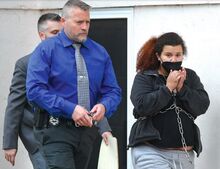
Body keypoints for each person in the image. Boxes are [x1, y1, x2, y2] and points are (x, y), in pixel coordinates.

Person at [26, 0, 121, 169]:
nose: (85, 27)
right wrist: (71, 109)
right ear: (63, 22)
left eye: (87, 22)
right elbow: (34, 91)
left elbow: (113, 91)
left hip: (87, 132)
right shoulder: (46, 50)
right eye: (79, 22)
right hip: (55, 130)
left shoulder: (99, 52)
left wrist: (104, 106)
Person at [129, 32, 210, 169]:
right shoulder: (146, 77)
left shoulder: (190, 76)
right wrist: (168, 88)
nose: (173, 60)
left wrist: (182, 89)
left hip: (185, 154)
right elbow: (142, 106)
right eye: (168, 55)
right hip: (151, 151)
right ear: (158, 56)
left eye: (178, 55)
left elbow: (202, 105)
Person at [2, 13, 62, 169]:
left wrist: (104, 128)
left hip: (65, 139)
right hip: (38, 141)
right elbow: (15, 105)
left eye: (62, 32)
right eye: (55, 33)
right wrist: (10, 143)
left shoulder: (72, 63)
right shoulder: (24, 64)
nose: (60, 37)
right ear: (42, 36)